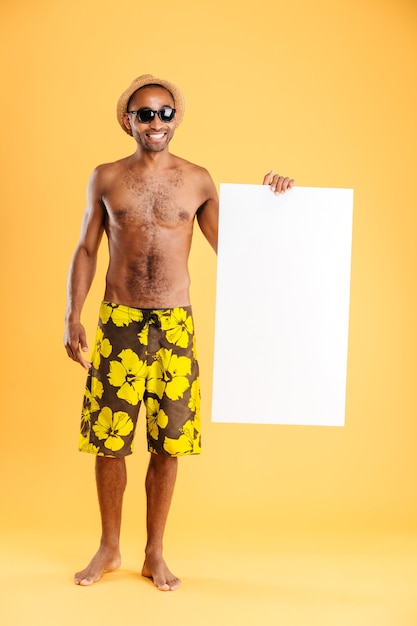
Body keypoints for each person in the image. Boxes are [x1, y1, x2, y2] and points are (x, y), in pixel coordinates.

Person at [64, 73, 294, 591]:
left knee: (168, 443)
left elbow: (239, 248)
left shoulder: (198, 180)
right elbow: (86, 249)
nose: (156, 122)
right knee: (110, 442)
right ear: (129, 120)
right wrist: (71, 313)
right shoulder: (105, 177)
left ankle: (154, 553)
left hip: (173, 324)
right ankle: (108, 546)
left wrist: (273, 203)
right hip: (119, 320)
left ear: (176, 117)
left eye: (165, 112)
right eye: (145, 114)